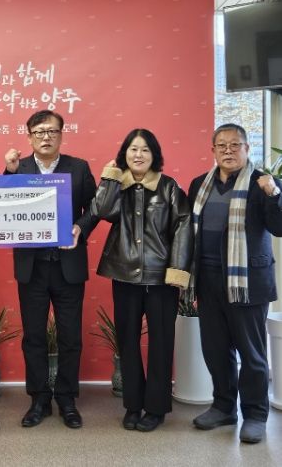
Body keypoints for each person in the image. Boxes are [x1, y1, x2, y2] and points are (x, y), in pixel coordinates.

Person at [87, 128, 193, 432]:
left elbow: (184, 227)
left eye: (145, 150)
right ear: (125, 154)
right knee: (128, 342)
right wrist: (110, 177)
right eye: (133, 149)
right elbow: (101, 210)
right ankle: (133, 405)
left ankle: (156, 408)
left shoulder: (169, 187)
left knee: (161, 343)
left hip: (161, 279)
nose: (138, 155)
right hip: (124, 276)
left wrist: (177, 270)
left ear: (154, 155)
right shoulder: (116, 186)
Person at [188, 123, 282, 444]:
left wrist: (274, 194)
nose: (228, 151)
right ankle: (223, 407)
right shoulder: (199, 185)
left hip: (247, 282)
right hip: (208, 279)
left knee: (252, 353)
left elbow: (279, 227)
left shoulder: (263, 183)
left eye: (235, 145)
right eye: (222, 145)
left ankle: (255, 414)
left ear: (247, 148)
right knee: (215, 349)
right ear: (213, 150)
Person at [4, 110, 97, 429]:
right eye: (39, 132)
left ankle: (67, 398)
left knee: (70, 336)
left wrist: (80, 227)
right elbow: (3, 205)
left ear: (61, 134)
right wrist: (8, 172)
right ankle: (39, 399)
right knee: (34, 336)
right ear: (29, 136)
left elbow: (95, 207)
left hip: (68, 266)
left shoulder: (78, 167)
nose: (46, 137)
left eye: (52, 131)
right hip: (31, 268)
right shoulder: (19, 168)